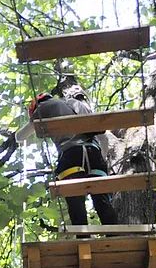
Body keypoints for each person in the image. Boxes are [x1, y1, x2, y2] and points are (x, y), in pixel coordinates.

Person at [28, 87, 118, 227]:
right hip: (94, 154)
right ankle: (114, 235)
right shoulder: (77, 104)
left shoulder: (45, 106)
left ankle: (82, 238)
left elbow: (21, 135)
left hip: (71, 154)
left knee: (75, 199)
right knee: (102, 199)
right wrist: (102, 159)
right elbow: (103, 138)